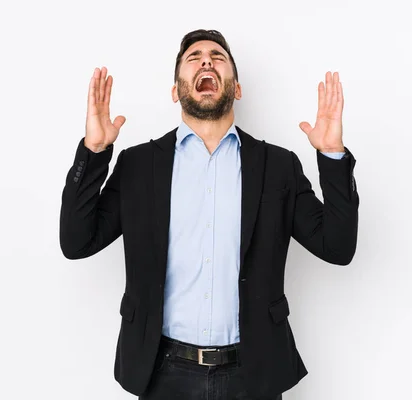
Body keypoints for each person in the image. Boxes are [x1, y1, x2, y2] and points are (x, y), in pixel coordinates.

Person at [60, 29, 359, 400]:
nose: (206, 61)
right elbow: (76, 241)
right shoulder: (138, 165)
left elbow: (338, 247)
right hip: (161, 372)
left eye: (218, 57)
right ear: (175, 91)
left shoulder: (278, 166)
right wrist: (94, 151)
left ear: (236, 88)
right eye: (194, 57)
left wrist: (332, 157)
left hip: (253, 375)